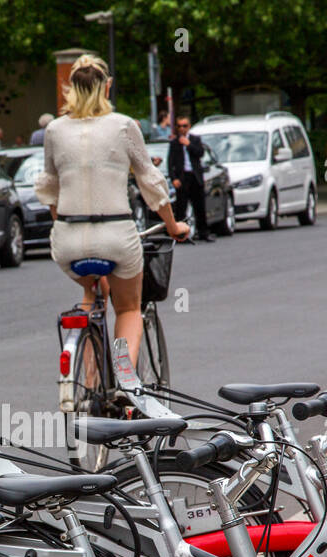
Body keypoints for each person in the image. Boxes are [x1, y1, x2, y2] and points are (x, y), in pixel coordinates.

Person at [36, 54, 189, 364]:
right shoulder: (123, 126)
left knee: (92, 294)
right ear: (107, 87)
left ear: (71, 88)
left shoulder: (54, 130)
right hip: (116, 237)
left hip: (67, 241)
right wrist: (173, 226)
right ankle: (125, 384)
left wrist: (62, 224)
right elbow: (151, 183)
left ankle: (87, 382)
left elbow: (50, 190)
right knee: (129, 308)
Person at [168, 115, 212, 241]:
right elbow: (170, 163)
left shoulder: (195, 139)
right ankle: (182, 235)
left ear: (189, 126)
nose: (182, 128)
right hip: (183, 178)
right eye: (179, 126)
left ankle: (203, 233)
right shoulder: (174, 143)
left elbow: (200, 153)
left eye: (185, 126)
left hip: (195, 176)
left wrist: (188, 145)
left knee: (200, 207)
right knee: (181, 207)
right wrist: (174, 178)